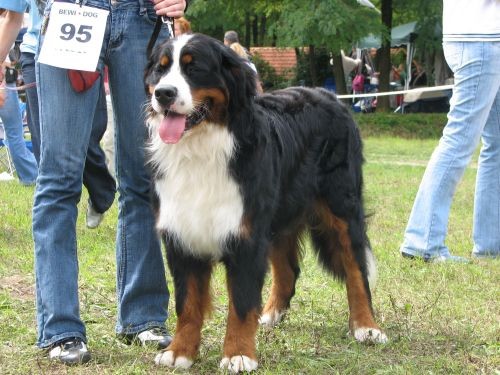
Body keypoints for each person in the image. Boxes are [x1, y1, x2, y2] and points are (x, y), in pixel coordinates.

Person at [29, 0, 187, 365]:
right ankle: (61, 327)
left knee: (144, 176)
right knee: (59, 178)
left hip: (142, 17)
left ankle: (143, 316)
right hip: (72, 11)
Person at [0, 2, 116, 228]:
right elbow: (12, 16)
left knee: (91, 131)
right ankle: (55, 214)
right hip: (36, 52)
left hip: (88, 43)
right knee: (47, 148)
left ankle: (101, 190)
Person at [400, 0, 500, 262]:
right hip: (481, 38)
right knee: (459, 140)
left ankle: (491, 245)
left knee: (496, 142)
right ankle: (423, 241)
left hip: (478, 35)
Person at [0, 10, 37, 185]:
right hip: (4, 80)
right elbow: (7, 61)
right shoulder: (6, 21)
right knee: (15, 133)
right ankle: (30, 175)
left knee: (14, 132)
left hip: (6, 78)